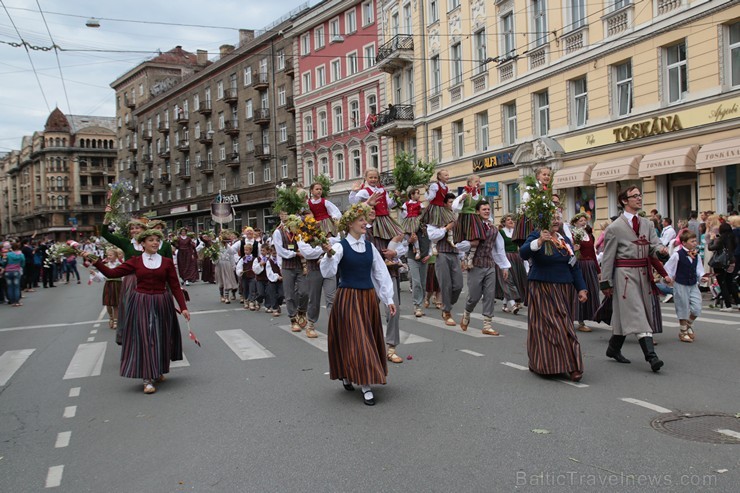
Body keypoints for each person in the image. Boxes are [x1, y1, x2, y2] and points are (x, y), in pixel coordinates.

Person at [84, 229, 190, 395]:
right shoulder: (135, 261)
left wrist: (183, 307)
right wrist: (96, 261)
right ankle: (147, 378)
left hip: (162, 301)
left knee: (160, 335)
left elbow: (175, 285)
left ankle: (159, 369)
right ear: (142, 244)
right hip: (141, 301)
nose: (155, 243)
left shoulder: (167, 262)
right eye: (151, 240)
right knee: (146, 337)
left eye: (157, 240)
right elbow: (112, 273)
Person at [320, 203, 396, 406]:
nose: (365, 223)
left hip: (368, 298)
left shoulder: (370, 247)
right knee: (357, 339)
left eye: (365, 219)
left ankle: (349, 373)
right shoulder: (339, 246)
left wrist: (388, 299)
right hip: (348, 298)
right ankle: (365, 384)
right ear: (350, 224)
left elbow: (380, 274)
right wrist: (328, 256)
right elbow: (327, 272)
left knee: (365, 338)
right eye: (361, 220)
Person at [600, 186, 667, 373]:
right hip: (625, 275)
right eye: (635, 196)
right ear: (624, 200)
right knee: (638, 313)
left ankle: (613, 348)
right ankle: (652, 357)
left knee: (628, 316)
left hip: (644, 275)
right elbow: (608, 257)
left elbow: (654, 245)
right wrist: (606, 282)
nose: (639, 198)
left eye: (640, 195)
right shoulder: (615, 228)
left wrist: (661, 250)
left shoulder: (647, 223)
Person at [520, 214, 587, 382]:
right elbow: (523, 252)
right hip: (542, 286)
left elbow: (574, 265)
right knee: (552, 326)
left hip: (564, 287)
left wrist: (582, 288)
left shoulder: (565, 240)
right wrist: (540, 242)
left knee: (565, 325)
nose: (556, 221)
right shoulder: (537, 235)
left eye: (559, 217)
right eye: (552, 218)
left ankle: (566, 364)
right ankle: (569, 366)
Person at [458, 201, 511, 336]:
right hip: (475, 264)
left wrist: (504, 266)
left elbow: (499, 249)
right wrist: (471, 243)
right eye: (484, 209)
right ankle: (466, 313)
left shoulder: (494, 229)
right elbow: (458, 245)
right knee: (474, 296)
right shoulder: (471, 227)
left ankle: (487, 324)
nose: (487, 211)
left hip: (490, 265)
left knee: (489, 295)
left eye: (488, 209)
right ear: (477, 212)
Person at [364, 206, 407, 363]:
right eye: (370, 209)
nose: (373, 211)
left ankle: (391, 348)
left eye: (375, 209)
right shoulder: (361, 230)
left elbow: (403, 246)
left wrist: (394, 252)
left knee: (393, 310)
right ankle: (370, 346)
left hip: (390, 272)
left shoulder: (388, 226)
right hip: (368, 275)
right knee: (368, 312)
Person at [427, 193, 464, 326]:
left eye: (453, 202)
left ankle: (447, 303)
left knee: (459, 285)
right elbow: (432, 236)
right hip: (441, 253)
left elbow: (459, 237)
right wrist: (446, 228)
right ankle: (446, 311)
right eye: (449, 202)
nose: (452, 205)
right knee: (445, 284)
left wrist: (463, 256)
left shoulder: (456, 217)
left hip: (454, 253)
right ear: (443, 204)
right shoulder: (437, 217)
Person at [665, 230, 705, 342]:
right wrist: (668, 278)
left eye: (695, 240)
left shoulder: (696, 255)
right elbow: (668, 268)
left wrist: (702, 277)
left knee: (697, 308)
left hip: (693, 284)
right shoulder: (677, 255)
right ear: (684, 242)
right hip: (681, 283)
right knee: (682, 307)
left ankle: (688, 324)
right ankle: (683, 332)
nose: (695, 243)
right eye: (692, 241)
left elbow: (699, 270)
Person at [273, 211, 309, 332]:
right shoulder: (278, 232)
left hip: (300, 265)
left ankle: (301, 312)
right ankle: (293, 319)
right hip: (287, 266)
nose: (286, 216)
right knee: (289, 295)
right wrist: (295, 253)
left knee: (304, 292)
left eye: (288, 214)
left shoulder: (298, 230)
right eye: (283, 214)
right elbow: (280, 250)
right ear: (280, 216)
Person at [349, 168, 405, 240]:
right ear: (366, 178)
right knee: (378, 239)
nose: (373, 179)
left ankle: (389, 250)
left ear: (378, 178)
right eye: (371, 177)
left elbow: (390, 205)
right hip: (374, 219)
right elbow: (353, 203)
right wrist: (353, 191)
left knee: (399, 235)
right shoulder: (364, 191)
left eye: (375, 177)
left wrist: (396, 196)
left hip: (386, 218)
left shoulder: (382, 190)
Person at [570, 213, 600, 332]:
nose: (583, 222)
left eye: (584, 220)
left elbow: (593, 253)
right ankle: (580, 320)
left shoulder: (589, 235)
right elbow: (571, 252)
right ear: (575, 223)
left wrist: (598, 270)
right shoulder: (573, 235)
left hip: (590, 265)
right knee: (581, 291)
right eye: (581, 220)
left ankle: (592, 315)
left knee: (593, 290)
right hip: (580, 265)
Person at [452, 175, 486, 270]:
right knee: (467, 238)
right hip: (465, 219)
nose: (478, 183)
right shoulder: (465, 194)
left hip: (475, 219)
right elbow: (454, 207)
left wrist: (488, 220)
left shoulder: (480, 197)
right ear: (470, 183)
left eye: (479, 181)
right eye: (476, 181)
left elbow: (484, 208)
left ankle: (470, 257)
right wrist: (461, 199)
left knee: (476, 239)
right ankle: (465, 257)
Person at [421, 170, 457, 255]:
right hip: (435, 207)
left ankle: (450, 237)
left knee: (453, 220)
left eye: (448, 175)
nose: (447, 177)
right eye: (445, 175)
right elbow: (430, 198)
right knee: (435, 224)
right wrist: (428, 191)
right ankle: (433, 245)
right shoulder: (435, 185)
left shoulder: (446, 187)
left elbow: (447, 197)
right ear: (439, 177)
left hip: (443, 207)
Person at [497, 214, 527, 313]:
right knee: (507, 280)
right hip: (505, 257)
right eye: (508, 220)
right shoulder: (501, 232)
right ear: (504, 222)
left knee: (515, 280)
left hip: (516, 257)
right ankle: (513, 305)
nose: (511, 221)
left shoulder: (516, 232)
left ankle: (505, 305)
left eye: (512, 220)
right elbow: (498, 247)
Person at [90, 247, 124, 329]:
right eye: (108, 255)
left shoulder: (120, 265)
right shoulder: (106, 265)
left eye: (111, 255)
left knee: (116, 304)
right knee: (108, 304)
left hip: (117, 285)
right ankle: (111, 318)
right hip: (108, 285)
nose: (109, 256)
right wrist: (94, 274)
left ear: (115, 256)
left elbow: (124, 277)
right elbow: (101, 278)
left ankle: (116, 320)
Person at [708, 222, 738, 311]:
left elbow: (711, 247)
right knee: (730, 282)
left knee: (722, 283)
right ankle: (738, 302)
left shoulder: (720, 239)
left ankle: (728, 305)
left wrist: (712, 239)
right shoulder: (733, 237)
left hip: (720, 263)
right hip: (731, 261)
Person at [400, 187, 425, 261]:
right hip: (408, 220)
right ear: (412, 195)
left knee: (413, 234)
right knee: (405, 234)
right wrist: (402, 211)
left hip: (415, 219)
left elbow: (423, 212)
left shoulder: (419, 203)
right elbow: (404, 213)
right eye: (417, 193)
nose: (419, 195)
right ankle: (413, 245)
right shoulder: (406, 203)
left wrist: (420, 215)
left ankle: (417, 250)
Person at [1, 242, 25, 307]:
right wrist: (20, 266)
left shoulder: (7, 254)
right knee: (16, 286)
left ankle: (11, 301)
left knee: (10, 286)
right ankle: (17, 301)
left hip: (8, 271)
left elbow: (3, 262)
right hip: (16, 271)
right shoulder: (21, 254)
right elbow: (23, 262)